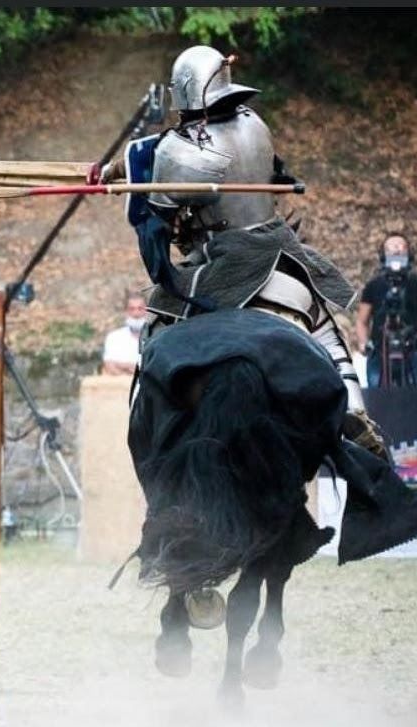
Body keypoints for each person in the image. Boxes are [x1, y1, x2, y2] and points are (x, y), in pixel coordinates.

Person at [110, 44, 387, 459]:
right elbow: (273, 171)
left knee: (159, 320)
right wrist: (119, 169)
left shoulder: (179, 147)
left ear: (182, 92)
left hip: (224, 259)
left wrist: (137, 183)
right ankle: (356, 418)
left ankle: (143, 423)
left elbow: (161, 219)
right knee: (322, 323)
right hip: (277, 246)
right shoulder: (253, 124)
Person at [354, 233, 417, 387]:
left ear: (409, 253)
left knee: (415, 395)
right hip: (379, 349)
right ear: (383, 255)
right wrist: (363, 342)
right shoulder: (373, 286)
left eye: (400, 246)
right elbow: (362, 320)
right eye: (390, 247)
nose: (396, 250)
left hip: (411, 348)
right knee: (376, 395)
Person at [101, 291, 147, 376]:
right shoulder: (114, 338)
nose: (136, 314)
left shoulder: (156, 336)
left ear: (147, 310)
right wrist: (136, 369)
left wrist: (122, 365)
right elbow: (109, 365)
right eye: (132, 309)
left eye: (140, 308)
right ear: (126, 311)